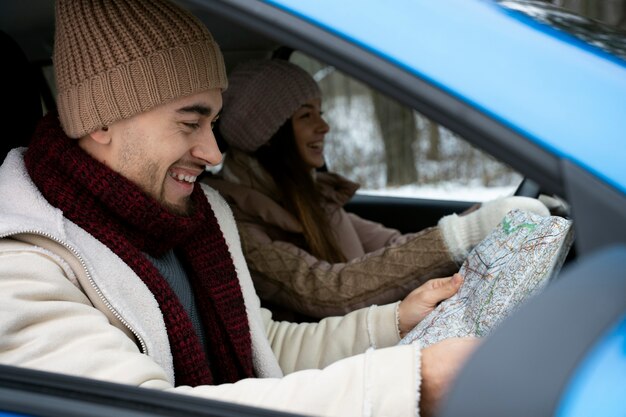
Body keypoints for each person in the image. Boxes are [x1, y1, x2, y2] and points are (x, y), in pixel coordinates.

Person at [0, 1, 478, 417]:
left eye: (215, 122)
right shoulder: (21, 261)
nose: (213, 153)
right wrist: (408, 386)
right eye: (190, 122)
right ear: (101, 120)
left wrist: (394, 322)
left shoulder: (201, 217)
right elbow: (141, 409)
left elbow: (264, 350)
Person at [205, 59, 550, 320]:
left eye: (321, 113)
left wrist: (485, 217)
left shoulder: (315, 198)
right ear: (267, 134)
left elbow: (393, 248)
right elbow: (327, 289)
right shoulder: (235, 223)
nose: (324, 126)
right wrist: (461, 235)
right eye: (306, 116)